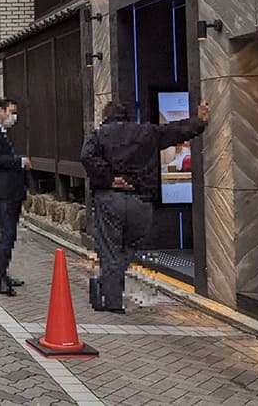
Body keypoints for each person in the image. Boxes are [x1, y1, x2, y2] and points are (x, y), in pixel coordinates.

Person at [81, 99, 209, 313]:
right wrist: (199, 121)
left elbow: (86, 156)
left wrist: (110, 178)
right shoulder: (146, 132)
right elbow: (174, 131)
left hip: (110, 199)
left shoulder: (99, 135)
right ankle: (109, 280)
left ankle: (111, 298)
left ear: (106, 116)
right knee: (131, 245)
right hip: (141, 201)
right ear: (127, 116)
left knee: (110, 249)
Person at [0, 98, 30, 297]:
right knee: (7, 234)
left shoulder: (1, 134)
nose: (13, 116)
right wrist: (19, 161)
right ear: (0, 112)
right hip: (2, 194)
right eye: (11, 112)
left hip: (11, 192)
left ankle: (3, 274)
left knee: (10, 236)